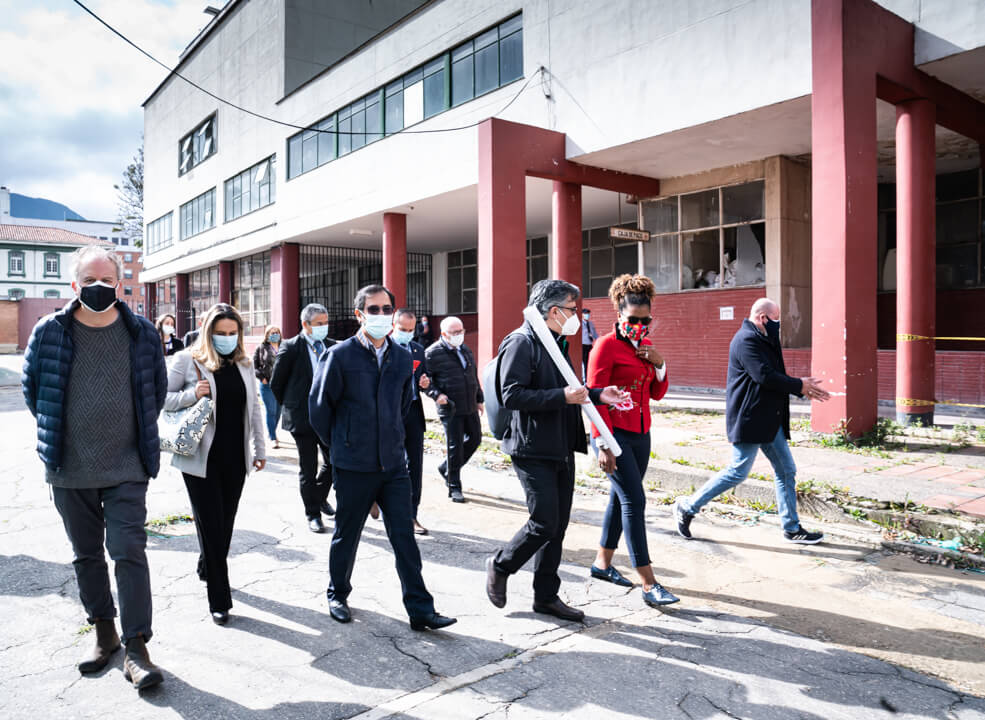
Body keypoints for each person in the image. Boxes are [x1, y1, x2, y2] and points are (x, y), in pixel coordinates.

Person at [21, 244, 167, 690]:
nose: (98, 287)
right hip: (70, 469)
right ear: (74, 284)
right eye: (89, 281)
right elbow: (34, 391)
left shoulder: (141, 333)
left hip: (126, 466)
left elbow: (154, 392)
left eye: (107, 280)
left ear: (121, 285)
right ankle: (103, 634)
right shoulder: (49, 332)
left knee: (129, 553)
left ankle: (137, 647)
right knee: (86, 556)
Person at [309, 284, 456, 631]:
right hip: (352, 464)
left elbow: (405, 404)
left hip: (392, 465)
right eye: (372, 309)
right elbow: (319, 410)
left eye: (385, 308)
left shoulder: (403, 358)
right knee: (347, 534)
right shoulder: (340, 356)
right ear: (359, 315)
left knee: (404, 536)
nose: (380, 315)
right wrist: (340, 446)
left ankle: (421, 609)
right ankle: (337, 593)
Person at [485, 280, 627, 622]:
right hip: (531, 446)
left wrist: (596, 394)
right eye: (572, 309)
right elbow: (513, 395)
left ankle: (545, 595)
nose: (576, 316)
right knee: (544, 520)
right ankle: (501, 564)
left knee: (558, 525)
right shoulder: (521, 342)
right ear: (553, 311)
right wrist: (563, 397)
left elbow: (567, 388)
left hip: (560, 443)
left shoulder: (553, 342)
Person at [674, 298, 831, 544]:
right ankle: (688, 506)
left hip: (769, 420)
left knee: (786, 470)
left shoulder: (764, 339)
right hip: (751, 419)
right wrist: (799, 385)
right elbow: (764, 376)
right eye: (776, 320)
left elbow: (775, 375)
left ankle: (791, 527)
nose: (779, 325)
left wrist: (799, 386)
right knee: (737, 472)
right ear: (763, 318)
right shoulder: (746, 340)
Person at [165, 304, 266, 625]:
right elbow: (159, 398)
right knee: (211, 524)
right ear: (208, 332)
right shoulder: (187, 360)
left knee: (224, 524)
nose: (226, 338)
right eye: (220, 333)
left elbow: (254, 408)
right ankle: (219, 599)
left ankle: (207, 565)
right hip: (199, 457)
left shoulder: (244, 363)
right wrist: (191, 394)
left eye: (231, 333)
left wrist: (260, 447)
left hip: (235, 458)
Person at [587, 275, 679, 607]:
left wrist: (660, 364)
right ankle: (648, 582)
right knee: (634, 502)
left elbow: (656, 393)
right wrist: (602, 443)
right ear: (619, 313)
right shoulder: (605, 346)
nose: (640, 325)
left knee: (620, 498)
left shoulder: (644, 349)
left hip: (642, 434)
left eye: (645, 320)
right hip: (616, 435)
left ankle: (602, 564)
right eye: (633, 320)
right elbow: (594, 399)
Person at [271, 304, 336, 533]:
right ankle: (313, 513)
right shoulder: (291, 347)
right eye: (319, 324)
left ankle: (318, 497)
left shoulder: (332, 346)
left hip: (328, 417)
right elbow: (276, 384)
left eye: (326, 322)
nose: (324, 327)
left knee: (333, 462)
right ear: (305, 324)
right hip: (302, 418)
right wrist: (293, 405)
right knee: (307, 468)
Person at [425, 316, 483, 503]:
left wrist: (479, 399)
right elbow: (425, 381)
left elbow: (472, 375)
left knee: (475, 439)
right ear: (444, 334)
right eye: (455, 333)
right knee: (455, 446)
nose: (460, 335)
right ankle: (454, 486)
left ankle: (447, 468)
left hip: (469, 404)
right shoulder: (432, 353)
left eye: (462, 331)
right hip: (449, 407)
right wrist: (436, 395)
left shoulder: (465, 349)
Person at [392, 308, 439, 535]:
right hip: (388, 414)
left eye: (411, 330)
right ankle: (376, 499)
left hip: (412, 412)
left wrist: (425, 383)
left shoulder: (418, 349)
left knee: (415, 466)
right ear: (393, 325)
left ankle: (411, 515)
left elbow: (425, 377)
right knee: (388, 462)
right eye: (402, 329)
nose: (407, 334)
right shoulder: (383, 347)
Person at [253, 324, 283, 449]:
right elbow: (254, 366)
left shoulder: (284, 346)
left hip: (281, 385)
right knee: (271, 411)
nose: (275, 334)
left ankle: (272, 431)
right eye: (272, 332)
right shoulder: (262, 348)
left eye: (277, 332)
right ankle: (272, 437)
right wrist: (262, 378)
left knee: (278, 412)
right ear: (267, 334)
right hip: (267, 385)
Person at [581, 307, 598, 373]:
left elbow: (595, 334)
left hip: (589, 345)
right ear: (582, 314)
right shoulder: (580, 324)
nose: (587, 315)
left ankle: (588, 377)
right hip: (583, 345)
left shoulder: (591, 324)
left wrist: (600, 340)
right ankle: (585, 379)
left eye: (588, 314)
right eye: (585, 314)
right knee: (584, 362)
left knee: (590, 362)